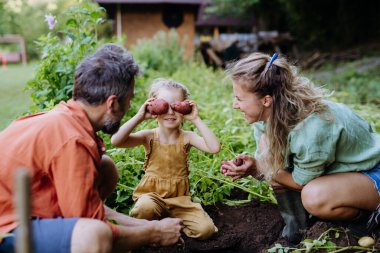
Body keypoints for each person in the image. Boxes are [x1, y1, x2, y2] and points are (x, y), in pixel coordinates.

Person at [0, 43, 183, 253]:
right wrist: (155, 233)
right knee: (93, 236)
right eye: (129, 99)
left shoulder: (65, 118)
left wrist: (142, 224)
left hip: (21, 207)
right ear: (112, 103)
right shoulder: (72, 139)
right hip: (6, 228)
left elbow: (82, 210)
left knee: (105, 168)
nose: (129, 107)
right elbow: (92, 228)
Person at [220, 52, 380, 243]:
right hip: (345, 172)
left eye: (239, 99)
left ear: (266, 100)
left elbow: (300, 182)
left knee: (314, 197)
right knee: (268, 149)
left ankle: (367, 220)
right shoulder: (268, 117)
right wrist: (259, 165)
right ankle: (296, 229)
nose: (234, 105)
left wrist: (261, 166)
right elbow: (277, 169)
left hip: (371, 171)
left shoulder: (312, 129)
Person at [111, 78, 220, 240]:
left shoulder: (188, 137)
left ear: (185, 110)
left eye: (176, 107)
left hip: (180, 200)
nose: (170, 112)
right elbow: (116, 141)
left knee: (206, 230)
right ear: (153, 110)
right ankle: (151, 229)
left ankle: (169, 224)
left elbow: (214, 147)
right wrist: (140, 116)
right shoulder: (148, 136)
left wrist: (196, 119)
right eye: (164, 106)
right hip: (152, 196)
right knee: (145, 207)